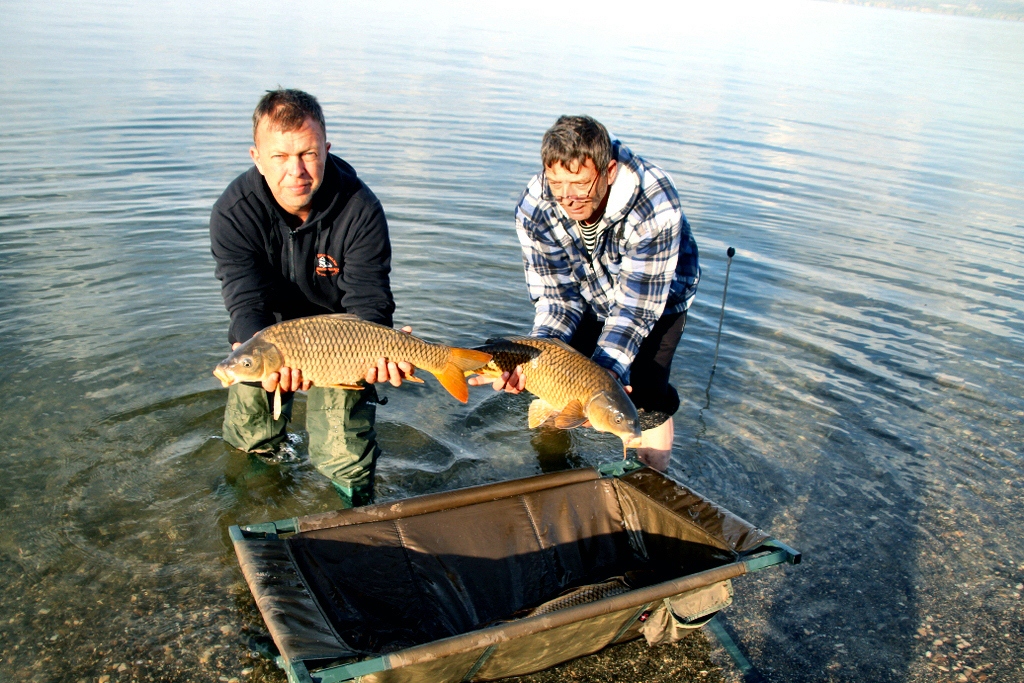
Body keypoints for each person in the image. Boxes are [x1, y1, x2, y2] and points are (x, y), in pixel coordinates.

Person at [209, 89, 413, 507]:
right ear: (256, 157)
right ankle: (254, 500)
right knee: (249, 422)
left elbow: (370, 302)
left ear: (326, 149)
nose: (295, 170)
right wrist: (253, 353)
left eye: (307, 153)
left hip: (343, 340)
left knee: (343, 446)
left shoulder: (360, 208)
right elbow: (245, 303)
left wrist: (383, 350)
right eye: (280, 157)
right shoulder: (234, 212)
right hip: (269, 335)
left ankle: (351, 511)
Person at [473, 115, 699, 471]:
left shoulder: (655, 204)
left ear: (608, 170)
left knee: (646, 400)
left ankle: (651, 484)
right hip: (585, 291)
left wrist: (605, 379)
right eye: (557, 183)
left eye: (579, 184)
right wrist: (535, 361)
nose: (568, 198)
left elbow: (634, 312)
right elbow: (557, 299)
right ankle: (552, 470)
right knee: (558, 387)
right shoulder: (536, 206)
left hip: (656, 298)